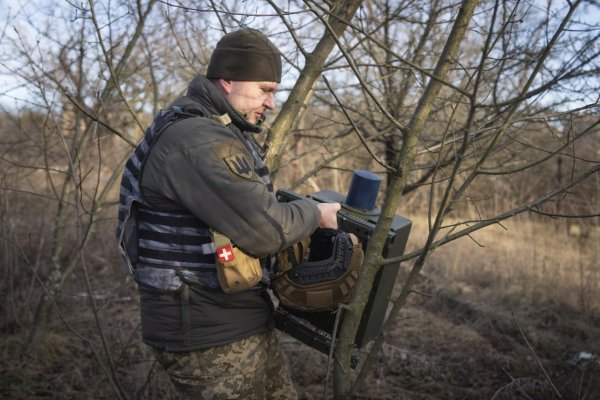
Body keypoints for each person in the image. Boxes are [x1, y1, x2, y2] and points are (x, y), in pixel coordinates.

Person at [116, 28, 341, 399]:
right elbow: (266, 229)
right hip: (208, 335)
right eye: (265, 89)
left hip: (234, 320)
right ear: (228, 81)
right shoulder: (196, 140)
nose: (271, 103)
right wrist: (314, 214)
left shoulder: (211, 131)